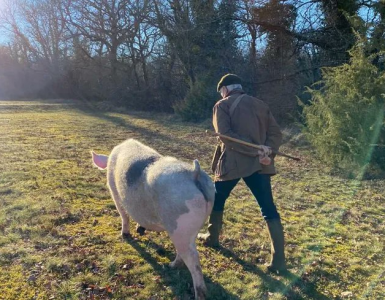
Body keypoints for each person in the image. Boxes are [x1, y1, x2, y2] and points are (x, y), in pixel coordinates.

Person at [199, 73, 286, 273]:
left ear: (226, 89)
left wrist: (259, 151)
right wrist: (266, 151)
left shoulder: (222, 105)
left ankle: (212, 239)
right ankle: (279, 260)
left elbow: (225, 136)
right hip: (259, 165)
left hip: (233, 164)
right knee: (268, 208)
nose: (222, 95)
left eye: (222, 92)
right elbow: (276, 134)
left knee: (217, 199)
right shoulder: (261, 104)